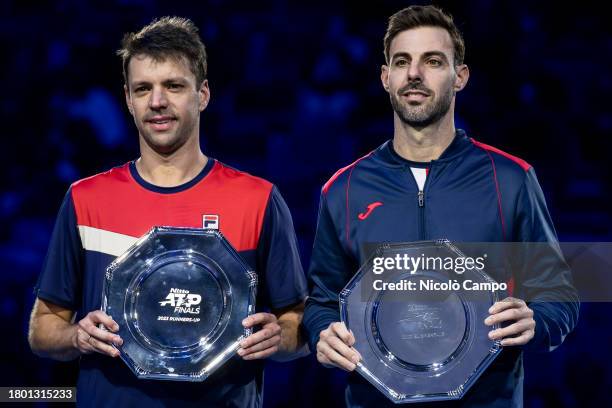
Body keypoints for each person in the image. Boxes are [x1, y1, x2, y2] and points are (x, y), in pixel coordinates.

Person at [302, 5, 578, 407]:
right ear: (386, 78)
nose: (414, 74)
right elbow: (323, 301)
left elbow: (558, 293)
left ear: (459, 76)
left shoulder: (511, 180)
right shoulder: (344, 189)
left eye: (433, 61)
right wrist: (323, 333)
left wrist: (539, 320)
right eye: (402, 62)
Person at [28, 17, 308, 407]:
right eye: (143, 89)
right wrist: (75, 335)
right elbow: (43, 328)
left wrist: (281, 336)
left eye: (173, 86)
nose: (157, 101)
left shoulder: (258, 199)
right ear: (128, 99)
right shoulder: (85, 199)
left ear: (203, 94)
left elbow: (298, 322)